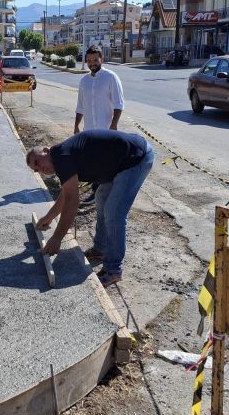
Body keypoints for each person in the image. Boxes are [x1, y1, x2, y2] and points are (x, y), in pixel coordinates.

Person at [26, 130, 154, 287]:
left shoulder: (61, 157)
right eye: (36, 170)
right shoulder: (61, 157)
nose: (40, 169)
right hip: (117, 163)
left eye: (37, 162)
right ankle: (100, 249)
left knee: (113, 213)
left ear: (46, 150)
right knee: (101, 199)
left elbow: (72, 201)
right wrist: (49, 217)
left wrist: (57, 238)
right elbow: (67, 195)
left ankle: (113, 270)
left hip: (135, 158)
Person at [74, 46, 125, 206]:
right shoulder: (84, 81)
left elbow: (119, 104)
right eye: (89, 61)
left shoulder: (111, 77)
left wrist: (114, 125)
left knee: (105, 163)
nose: (92, 63)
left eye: (95, 60)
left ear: (101, 59)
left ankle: (101, 194)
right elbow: (80, 106)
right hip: (89, 131)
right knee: (93, 162)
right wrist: (76, 126)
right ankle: (96, 192)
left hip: (106, 130)